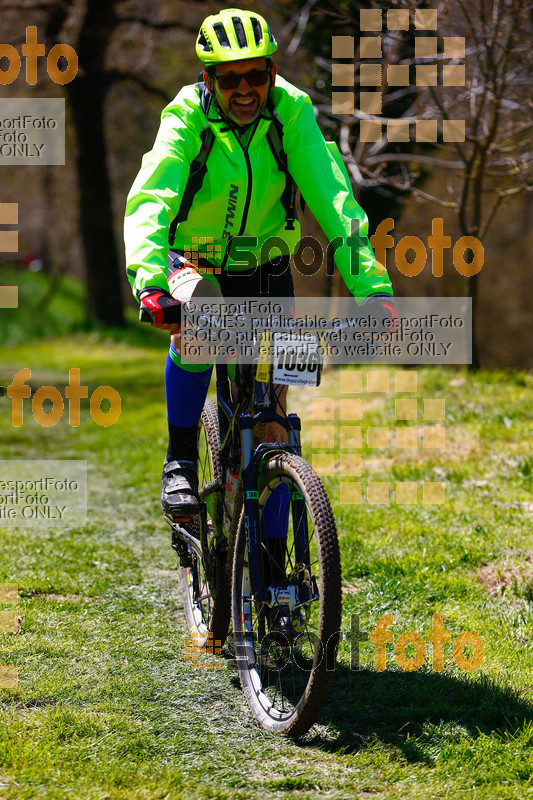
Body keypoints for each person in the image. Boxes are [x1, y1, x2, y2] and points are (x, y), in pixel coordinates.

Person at [124, 8, 394, 517]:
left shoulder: (290, 111)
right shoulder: (188, 117)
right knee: (203, 319)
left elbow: (333, 197)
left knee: (272, 428)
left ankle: (275, 585)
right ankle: (180, 459)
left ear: (272, 72)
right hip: (192, 260)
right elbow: (151, 199)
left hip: (265, 268)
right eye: (230, 79)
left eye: (257, 74)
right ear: (209, 79)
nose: (245, 89)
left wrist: (371, 287)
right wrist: (150, 281)